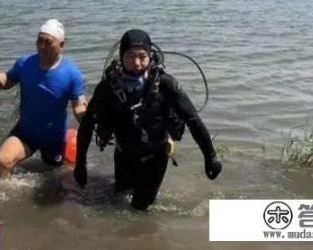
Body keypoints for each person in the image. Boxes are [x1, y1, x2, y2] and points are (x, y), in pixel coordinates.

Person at [74, 29, 222, 211]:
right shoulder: (108, 87)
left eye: (142, 56)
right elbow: (88, 124)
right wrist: (80, 164)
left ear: (150, 56)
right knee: (117, 200)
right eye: (130, 56)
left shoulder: (166, 84)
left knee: (138, 209)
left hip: (155, 156)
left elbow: (192, 119)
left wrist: (210, 156)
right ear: (121, 56)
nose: (137, 63)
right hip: (123, 153)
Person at [0, 19, 87, 178]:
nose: (42, 46)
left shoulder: (72, 74)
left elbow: (78, 105)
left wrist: (87, 117)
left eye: (48, 42)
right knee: (3, 161)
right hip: (26, 132)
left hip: (54, 138)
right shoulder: (25, 63)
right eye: (39, 41)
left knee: (57, 177)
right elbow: (6, 82)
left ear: (61, 45)